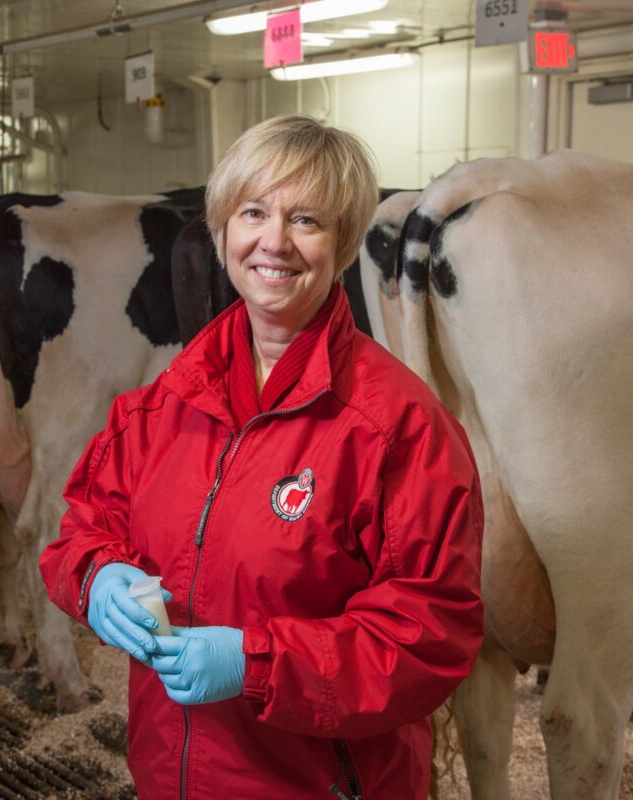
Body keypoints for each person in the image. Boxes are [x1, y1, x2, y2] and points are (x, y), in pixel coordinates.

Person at [40, 114, 483, 800]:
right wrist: (94, 578)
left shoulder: (398, 429)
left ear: (342, 244)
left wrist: (259, 665)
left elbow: (428, 638)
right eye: (253, 212)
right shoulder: (163, 405)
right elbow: (81, 529)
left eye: (306, 220)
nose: (274, 242)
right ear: (223, 231)